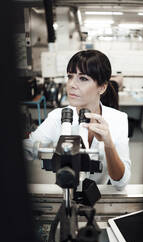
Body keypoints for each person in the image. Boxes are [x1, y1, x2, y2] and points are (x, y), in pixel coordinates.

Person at [24, 50, 131, 190]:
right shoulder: (57, 116)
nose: (71, 85)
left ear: (102, 87)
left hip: (100, 197)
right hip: (64, 193)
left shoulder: (118, 119)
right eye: (70, 76)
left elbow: (121, 183)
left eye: (83, 78)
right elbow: (28, 148)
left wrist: (109, 144)